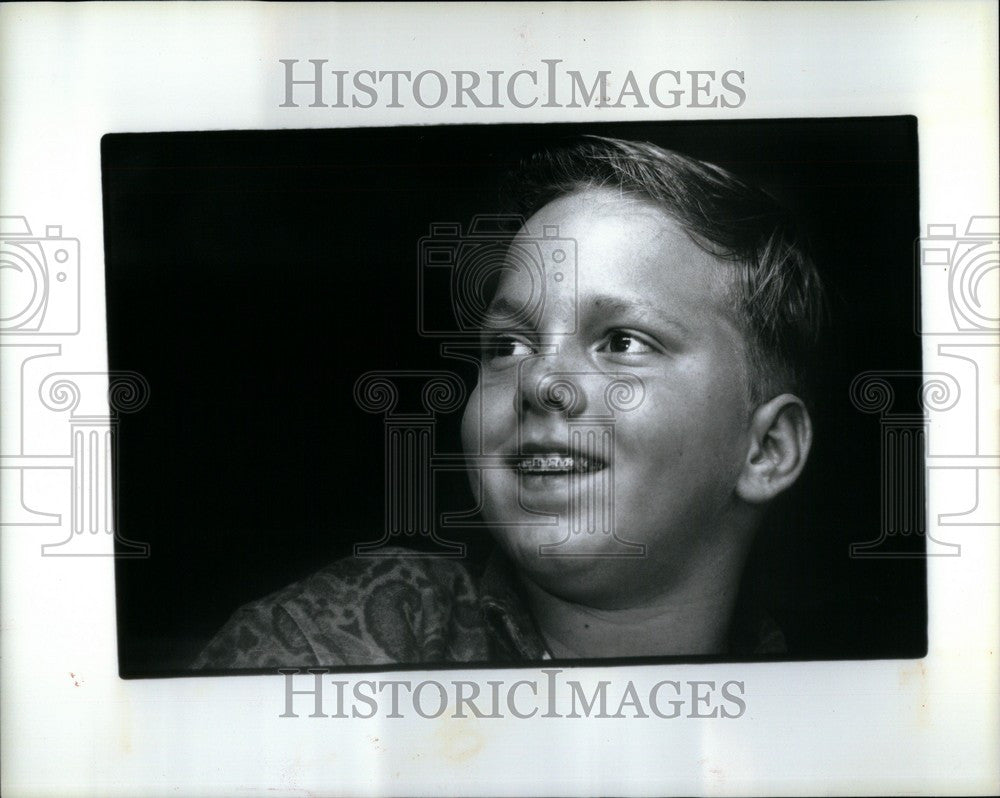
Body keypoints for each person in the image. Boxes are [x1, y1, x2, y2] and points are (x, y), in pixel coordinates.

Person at [191, 136, 824, 670]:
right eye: (508, 344)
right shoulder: (328, 648)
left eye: (622, 341)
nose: (538, 381)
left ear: (766, 450)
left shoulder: (822, 718)